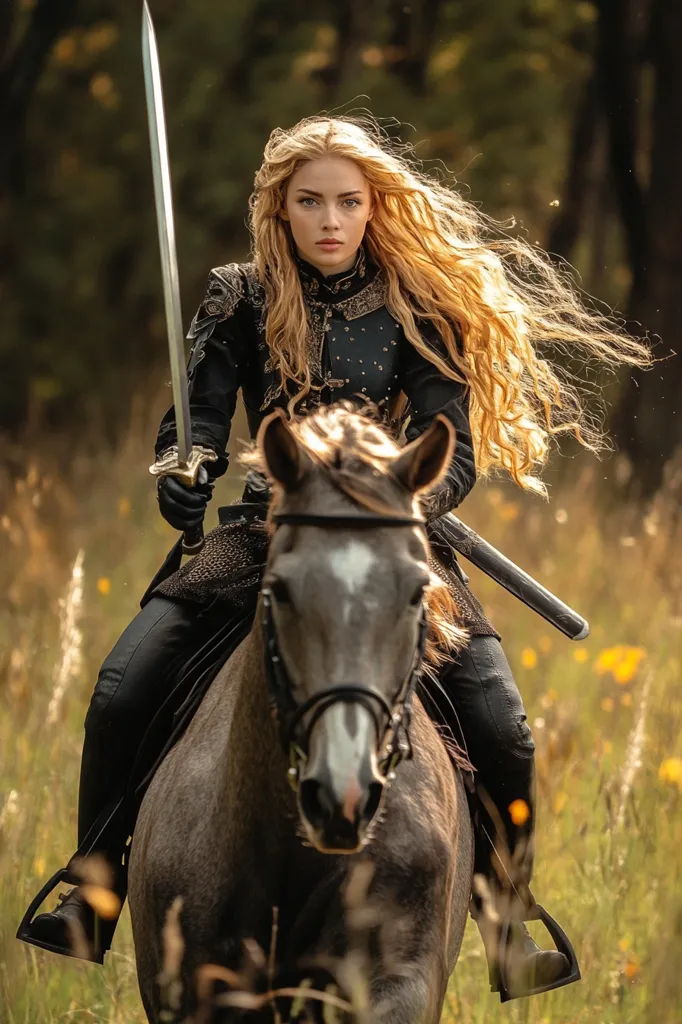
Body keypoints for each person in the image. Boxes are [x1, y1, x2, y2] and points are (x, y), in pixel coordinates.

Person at [20, 116, 649, 998]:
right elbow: (194, 425)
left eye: (347, 203)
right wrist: (185, 473)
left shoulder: (415, 303)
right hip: (263, 536)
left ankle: (509, 922)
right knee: (125, 687)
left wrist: (395, 500)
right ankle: (93, 892)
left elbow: (453, 449)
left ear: (371, 208)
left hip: (389, 538)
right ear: (280, 208)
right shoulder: (237, 298)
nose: (329, 219)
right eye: (310, 201)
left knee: (502, 721)